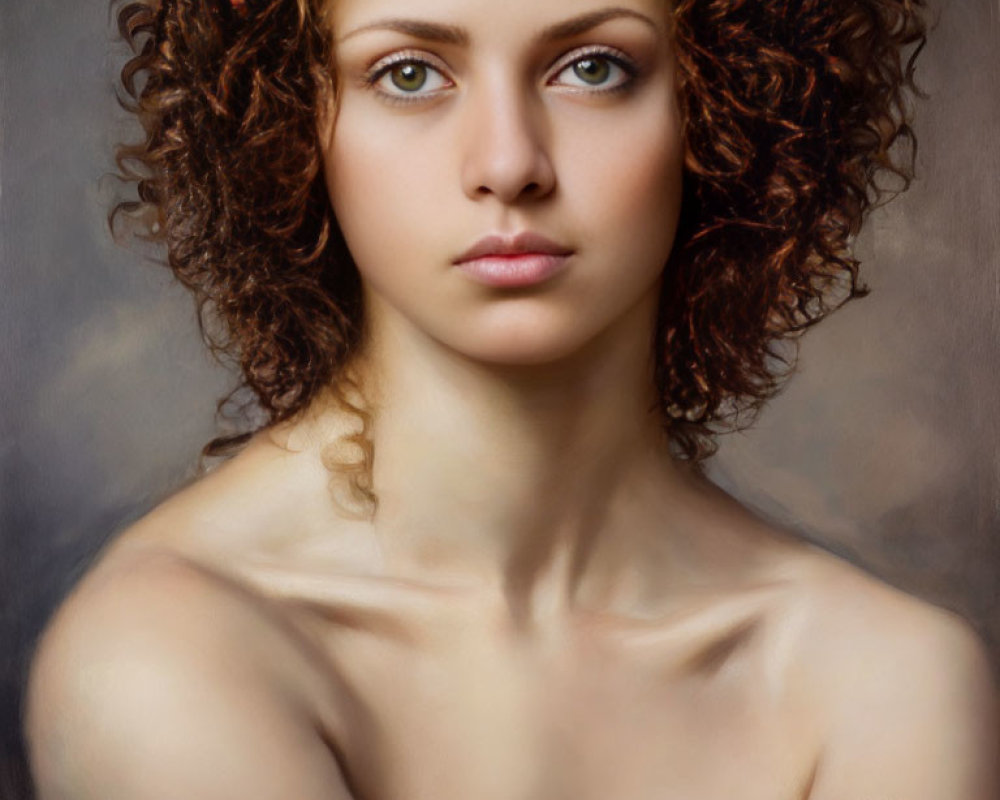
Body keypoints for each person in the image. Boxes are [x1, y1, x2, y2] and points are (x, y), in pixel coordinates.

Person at [23, 0, 998, 797]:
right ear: (294, 123)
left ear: (718, 105)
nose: (507, 164)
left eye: (591, 67)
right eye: (408, 73)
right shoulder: (170, 650)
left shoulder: (885, 680)